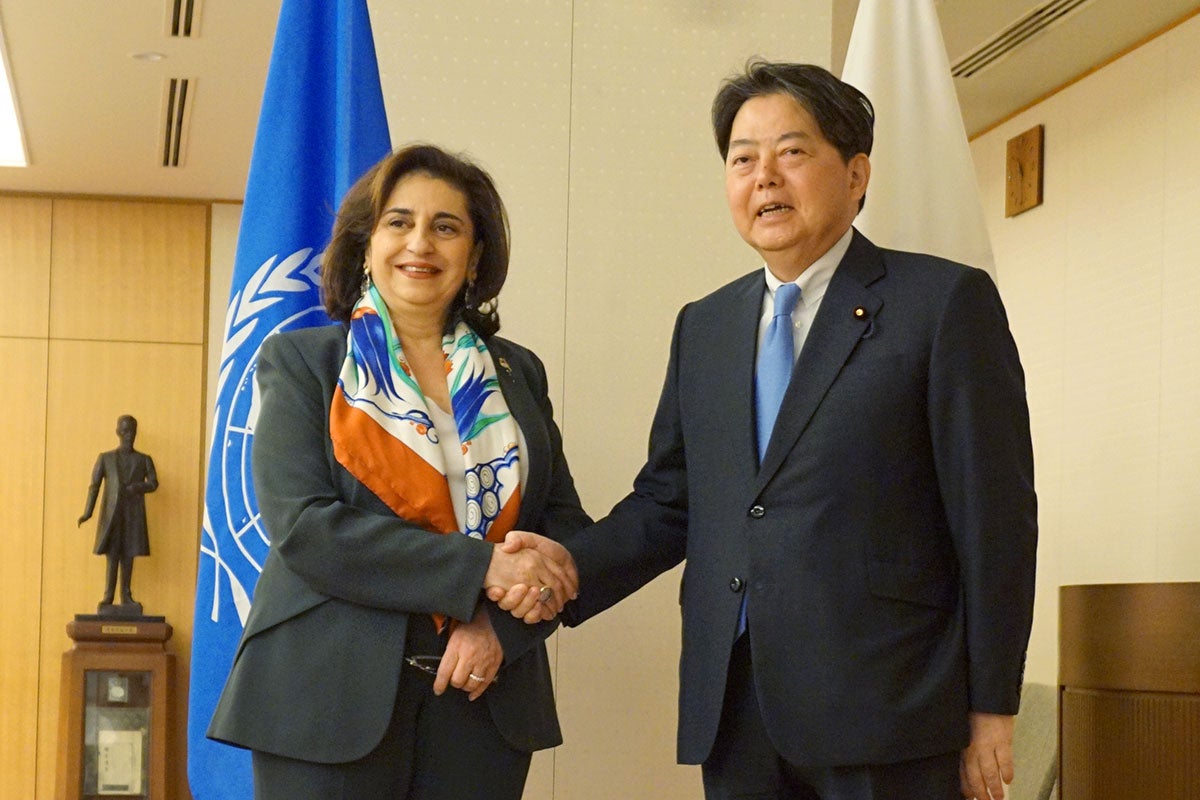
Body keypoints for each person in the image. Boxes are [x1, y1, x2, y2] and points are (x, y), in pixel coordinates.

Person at [496, 61, 1037, 800]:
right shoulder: (706, 325)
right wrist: (567, 566)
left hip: (891, 705)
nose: (765, 178)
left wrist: (992, 704)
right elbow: (670, 503)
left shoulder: (941, 304)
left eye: (792, 152)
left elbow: (994, 519)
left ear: (855, 174)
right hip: (737, 702)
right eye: (743, 159)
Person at [207, 143, 589, 800]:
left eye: (446, 226)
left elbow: (561, 534)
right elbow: (305, 528)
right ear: (366, 243)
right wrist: (481, 570)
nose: (421, 242)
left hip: (484, 699)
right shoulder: (303, 363)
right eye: (399, 221)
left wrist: (498, 626)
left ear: (474, 257)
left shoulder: (516, 373)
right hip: (324, 701)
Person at [78, 414, 158, 609]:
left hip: (132, 515)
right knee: (112, 554)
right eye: (124, 431)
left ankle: (126, 595)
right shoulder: (106, 458)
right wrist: (88, 512)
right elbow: (94, 486)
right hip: (111, 515)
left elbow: (154, 483)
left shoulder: (143, 459)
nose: (128, 435)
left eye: (131, 431)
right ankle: (108, 596)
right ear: (117, 432)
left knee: (128, 554)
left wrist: (137, 487)